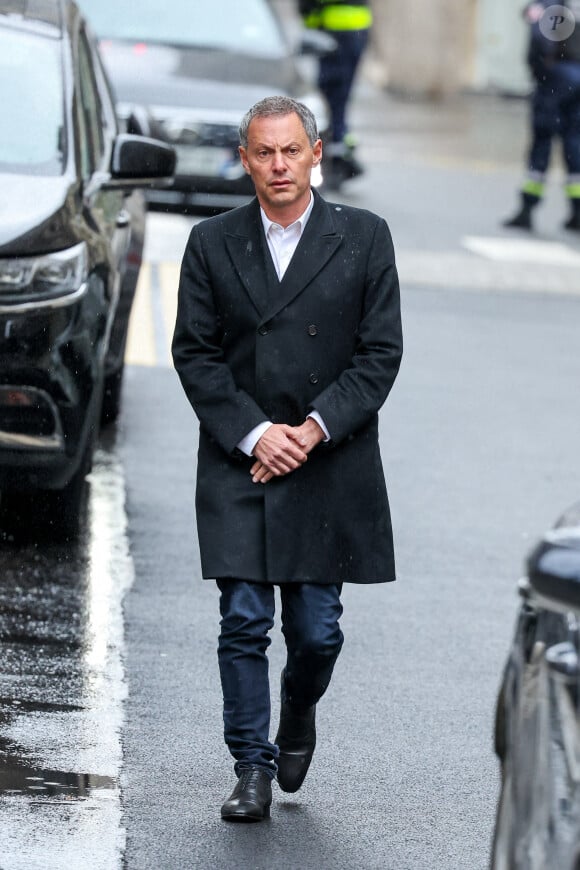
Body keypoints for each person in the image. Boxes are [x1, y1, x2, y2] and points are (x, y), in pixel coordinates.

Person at [172, 95, 402, 822]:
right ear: (244, 160)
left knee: (316, 632)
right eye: (263, 153)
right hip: (239, 458)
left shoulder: (364, 236)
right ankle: (250, 767)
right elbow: (197, 355)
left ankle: (297, 713)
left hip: (328, 461)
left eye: (290, 151)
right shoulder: (211, 241)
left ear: (316, 153)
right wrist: (254, 434)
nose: (278, 166)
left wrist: (311, 428)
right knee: (242, 620)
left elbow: (380, 353)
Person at [504, 0, 580, 231]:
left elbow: (541, 37)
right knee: (575, 144)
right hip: (576, 78)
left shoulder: (549, 3)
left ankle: (527, 209)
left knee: (542, 143)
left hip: (555, 80)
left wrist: (541, 69)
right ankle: (577, 212)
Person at [299, 0, 372, 187]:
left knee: (331, 98)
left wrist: (308, 14)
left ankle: (334, 156)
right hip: (352, 29)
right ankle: (337, 151)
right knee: (338, 98)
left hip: (337, 31)